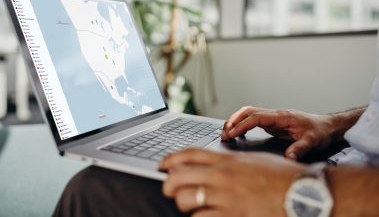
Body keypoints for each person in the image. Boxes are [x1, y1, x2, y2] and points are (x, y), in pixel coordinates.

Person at [54, 36, 379, 217]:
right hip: (348, 161)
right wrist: (334, 126)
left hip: (347, 196)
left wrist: (299, 191)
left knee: (98, 189)